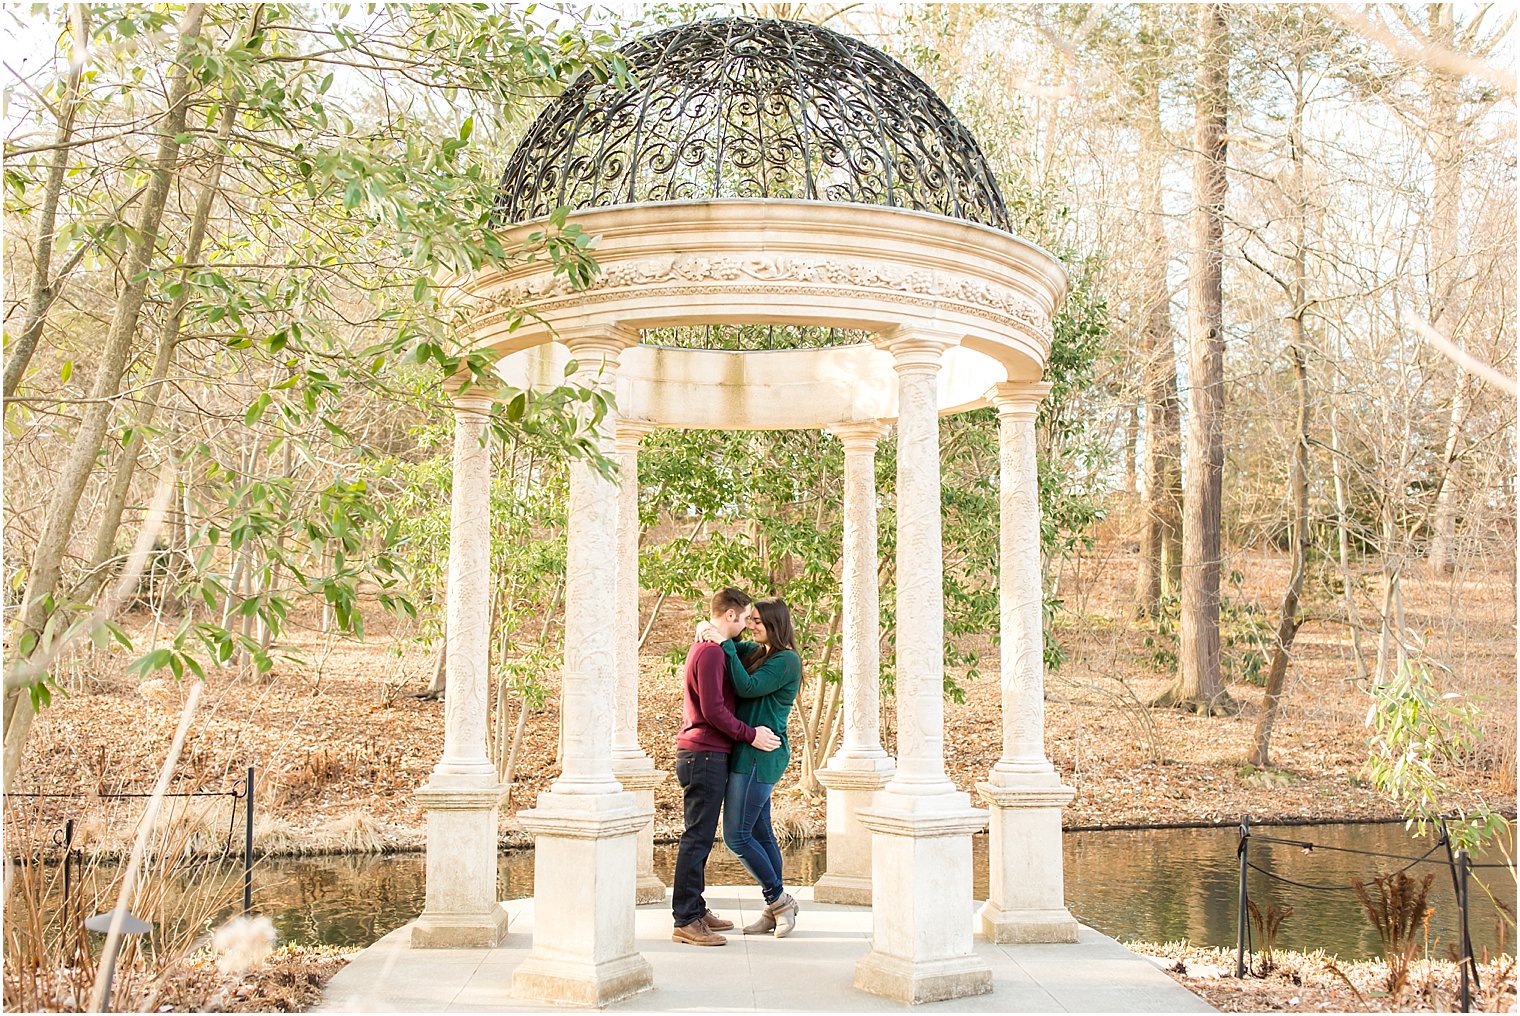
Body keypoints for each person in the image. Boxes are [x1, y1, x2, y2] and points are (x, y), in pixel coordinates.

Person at [671, 587, 782, 947]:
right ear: (731, 616)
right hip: (704, 753)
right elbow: (715, 711)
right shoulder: (712, 653)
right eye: (747, 617)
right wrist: (750, 735)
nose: (749, 625)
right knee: (697, 837)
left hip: (707, 753)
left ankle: (695, 908)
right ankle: (686, 919)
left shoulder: (716, 649)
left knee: (700, 836)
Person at [699, 596, 803, 937]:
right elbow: (727, 641)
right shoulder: (758, 653)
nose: (751, 625)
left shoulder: (786, 660)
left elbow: (747, 685)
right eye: (750, 619)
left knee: (737, 836)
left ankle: (779, 900)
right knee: (760, 832)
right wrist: (708, 629)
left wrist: (725, 644)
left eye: (757, 621)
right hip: (746, 751)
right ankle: (774, 910)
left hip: (763, 754)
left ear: (774, 623)